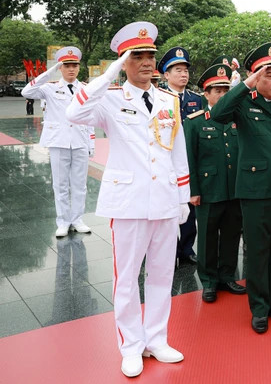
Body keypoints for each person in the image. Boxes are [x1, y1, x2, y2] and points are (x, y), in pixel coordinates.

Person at [66, 22, 190, 377]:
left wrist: (183, 195)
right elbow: (73, 114)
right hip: (129, 201)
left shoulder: (169, 99)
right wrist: (107, 76)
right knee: (127, 278)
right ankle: (131, 345)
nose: (147, 62)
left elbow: (177, 150)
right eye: (137, 56)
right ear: (124, 60)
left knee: (162, 274)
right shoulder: (109, 99)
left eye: (150, 55)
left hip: (165, 199)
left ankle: (156, 340)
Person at [210, 42, 271, 334]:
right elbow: (217, 114)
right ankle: (260, 308)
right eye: (270, 76)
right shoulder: (244, 103)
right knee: (258, 251)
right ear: (256, 78)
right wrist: (245, 85)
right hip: (255, 190)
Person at [184, 63, 246, 303]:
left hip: (233, 189)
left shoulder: (237, 118)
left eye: (225, 90)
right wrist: (194, 191)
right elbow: (190, 158)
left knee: (231, 235)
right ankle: (209, 281)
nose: (222, 94)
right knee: (208, 237)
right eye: (217, 90)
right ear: (206, 94)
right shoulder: (195, 121)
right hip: (209, 191)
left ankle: (227, 276)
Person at [22, 47, 95, 237]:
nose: (71, 69)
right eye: (67, 66)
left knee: (80, 184)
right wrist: (49, 72)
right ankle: (62, 221)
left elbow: (90, 117)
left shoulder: (85, 89)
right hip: (59, 142)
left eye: (74, 66)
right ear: (60, 68)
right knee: (60, 184)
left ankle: (77, 219)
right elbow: (26, 91)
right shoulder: (50, 87)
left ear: (79, 68)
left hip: (80, 140)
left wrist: (91, 143)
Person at [158, 46, 202, 266]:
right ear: (166, 75)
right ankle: (165, 251)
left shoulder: (196, 99)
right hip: (164, 160)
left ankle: (186, 248)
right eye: (177, 70)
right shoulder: (158, 98)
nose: (183, 74)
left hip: (189, 161)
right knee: (162, 206)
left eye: (185, 70)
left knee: (188, 206)